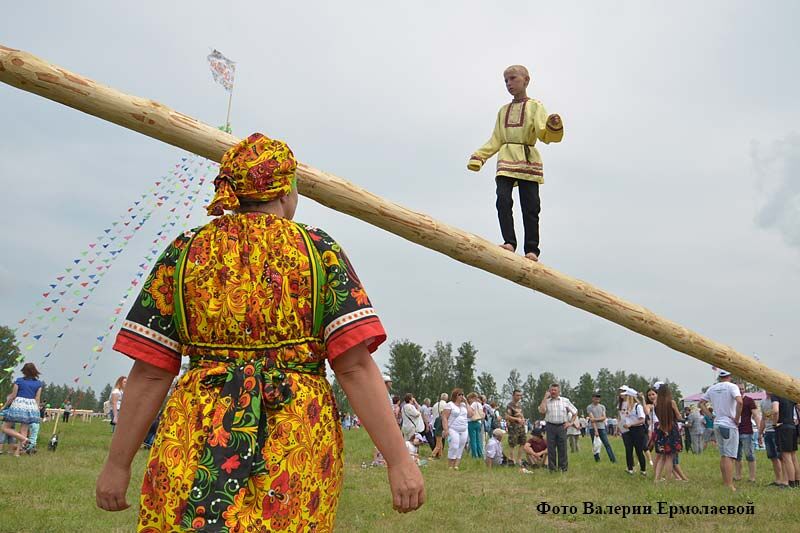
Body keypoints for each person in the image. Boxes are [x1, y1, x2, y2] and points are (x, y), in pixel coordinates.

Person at [95, 134, 424, 530]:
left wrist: (117, 465)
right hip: (295, 443)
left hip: (196, 435)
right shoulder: (317, 251)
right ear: (286, 191)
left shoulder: (185, 252)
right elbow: (353, 367)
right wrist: (399, 461)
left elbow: (151, 370)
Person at [466, 64, 564, 262]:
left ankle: (532, 249)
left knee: (531, 205)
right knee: (502, 199)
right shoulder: (503, 111)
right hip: (506, 160)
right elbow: (496, 139)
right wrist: (480, 156)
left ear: (526, 80)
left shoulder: (536, 106)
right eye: (506, 81)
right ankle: (509, 242)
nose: (509, 84)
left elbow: (543, 134)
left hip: (528, 160)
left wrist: (553, 125)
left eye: (513, 79)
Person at [699, 370, 743, 491]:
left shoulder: (712, 388)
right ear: (730, 376)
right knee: (730, 456)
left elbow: (701, 403)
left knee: (724, 455)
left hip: (717, 423)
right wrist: (737, 418)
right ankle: (729, 485)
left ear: (720, 376)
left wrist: (710, 416)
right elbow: (740, 401)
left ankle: (725, 482)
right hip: (729, 424)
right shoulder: (732, 387)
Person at [0, 363, 43, 456]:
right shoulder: (38, 384)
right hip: (31, 406)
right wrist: (37, 410)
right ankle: (17, 453)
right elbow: (37, 398)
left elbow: (13, 396)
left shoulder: (19, 381)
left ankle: (25, 439)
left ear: (24, 371)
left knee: (4, 427)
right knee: (24, 429)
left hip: (18, 405)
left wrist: (4, 406)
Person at [538, 383, 577, 472]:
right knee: (551, 448)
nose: (553, 392)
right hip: (550, 426)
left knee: (562, 448)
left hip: (562, 426)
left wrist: (570, 423)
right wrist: (545, 398)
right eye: (551, 390)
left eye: (555, 390)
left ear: (559, 391)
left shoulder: (565, 401)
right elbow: (542, 411)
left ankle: (563, 468)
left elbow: (575, 412)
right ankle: (552, 469)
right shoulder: (547, 401)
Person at [653, 385, 684, 482]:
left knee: (662, 457)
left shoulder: (656, 404)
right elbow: (678, 417)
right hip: (671, 430)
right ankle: (667, 480)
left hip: (661, 430)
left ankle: (656, 479)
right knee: (670, 457)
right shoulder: (671, 402)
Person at [771, 392, 799, 488]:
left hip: (783, 427)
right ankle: (797, 481)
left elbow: (775, 410)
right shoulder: (789, 394)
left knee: (786, 456)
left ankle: (791, 484)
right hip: (792, 427)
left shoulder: (776, 395)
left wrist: (774, 424)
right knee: (793, 456)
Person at [758, 390, 786, 487]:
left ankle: (784, 480)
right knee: (773, 457)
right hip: (768, 432)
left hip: (777, 431)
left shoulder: (778, 400)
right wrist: (760, 433)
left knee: (781, 457)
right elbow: (763, 419)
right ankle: (778, 479)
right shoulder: (762, 402)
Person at [442, 388, 474, 470]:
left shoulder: (464, 406)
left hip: (463, 429)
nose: (461, 396)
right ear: (455, 396)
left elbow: (470, 414)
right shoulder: (450, 405)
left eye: (463, 395)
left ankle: (456, 465)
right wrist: (446, 429)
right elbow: (444, 417)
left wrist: (466, 402)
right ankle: (450, 465)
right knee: (454, 446)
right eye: (460, 395)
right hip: (453, 428)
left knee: (461, 446)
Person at [618, 387, 647, 476]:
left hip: (638, 430)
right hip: (626, 430)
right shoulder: (623, 406)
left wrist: (631, 424)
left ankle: (643, 470)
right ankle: (630, 468)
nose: (624, 397)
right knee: (628, 449)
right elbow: (621, 417)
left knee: (639, 450)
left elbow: (642, 420)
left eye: (626, 395)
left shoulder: (637, 406)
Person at [735, 383, 760, 483]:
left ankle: (752, 477)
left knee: (749, 454)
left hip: (747, 431)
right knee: (737, 455)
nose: (741, 390)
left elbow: (756, 415)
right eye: (739, 389)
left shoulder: (749, 400)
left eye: (742, 389)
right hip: (735, 431)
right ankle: (738, 476)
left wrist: (759, 429)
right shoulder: (733, 400)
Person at [586, 391, 616, 463]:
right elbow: (592, 420)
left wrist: (596, 419)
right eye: (596, 397)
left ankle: (613, 460)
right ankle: (597, 460)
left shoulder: (602, 407)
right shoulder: (589, 407)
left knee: (607, 444)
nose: (597, 399)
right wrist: (596, 430)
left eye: (598, 397)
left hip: (602, 428)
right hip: (593, 428)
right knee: (596, 445)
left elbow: (604, 417)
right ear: (593, 398)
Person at [505, 389, 526, 466]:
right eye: (517, 395)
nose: (519, 397)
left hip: (521, 427)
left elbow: (521, 414)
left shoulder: (520, 405)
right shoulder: (510, 405)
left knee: (523, 442)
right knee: (512, 444)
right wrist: (516, 419)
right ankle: (512, 459)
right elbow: (507, 416)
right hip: (513, 427)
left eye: (520, 395)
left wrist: (523, 419)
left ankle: (519, 459)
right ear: (513, 395)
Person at [430, 393, 448, 459]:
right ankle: (433, 455)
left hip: (435, 425)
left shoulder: (435, 405)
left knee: (439, 443)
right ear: (446, 398)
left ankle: (440, 455)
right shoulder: (446, 405)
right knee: (440, 443)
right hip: (441, 427)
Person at [467, 392, 485, 458]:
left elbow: (470, 413)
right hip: (479, 422)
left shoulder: (473, 404)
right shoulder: (479, 404)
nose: (469, 400)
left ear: (472, 398)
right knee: (478, 440)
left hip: (472, 422)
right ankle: (480, 454)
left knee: (473, 440)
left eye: (469, 399)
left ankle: (474, 455)